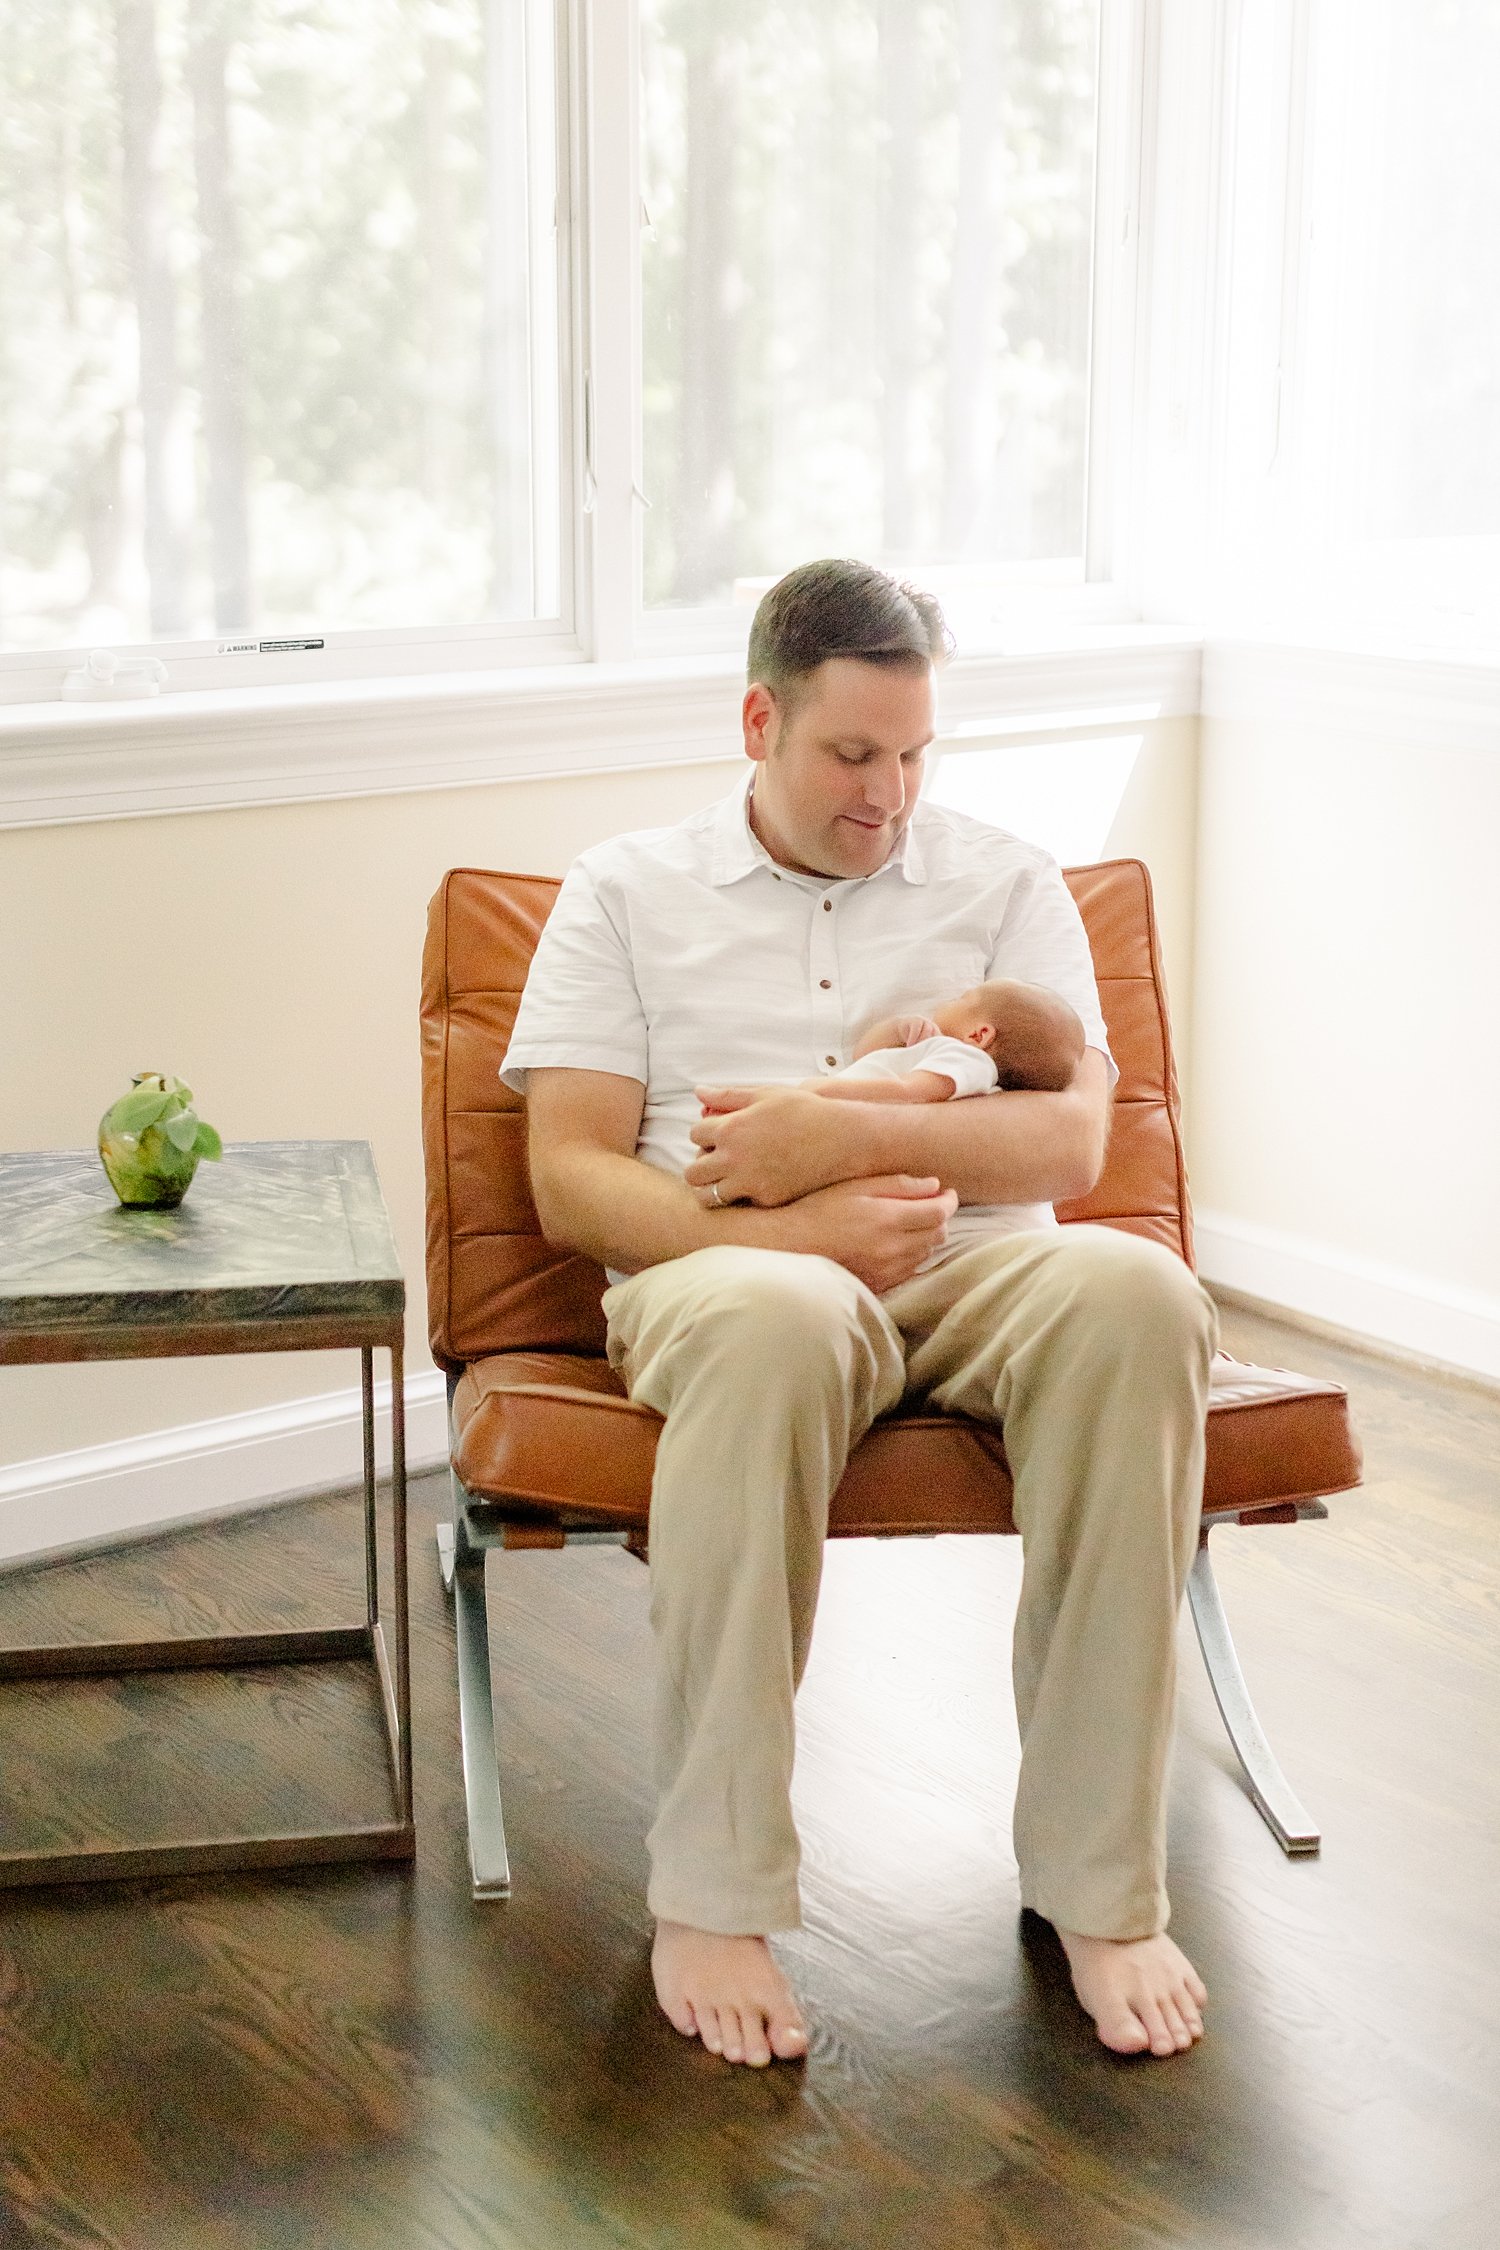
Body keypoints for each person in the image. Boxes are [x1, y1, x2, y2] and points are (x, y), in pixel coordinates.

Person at [501, 559, 1216, 2071]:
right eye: (850, 753)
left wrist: (850, 1145)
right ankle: (714, 1891)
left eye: (912, 753)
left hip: (979, 1267)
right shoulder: (622, 889)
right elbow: (570, 1177)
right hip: (729, 1273)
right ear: (760, 717)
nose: (888, 791)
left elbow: (1071, 1147)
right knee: (775, 1320)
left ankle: (1101, 1883)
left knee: (1137, 1290)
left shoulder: (1010, 880)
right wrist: (795, 1224)